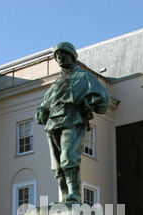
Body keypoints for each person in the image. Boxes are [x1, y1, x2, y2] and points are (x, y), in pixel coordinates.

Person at [35, 42, 110, 204]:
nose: (60, 57)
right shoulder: (56, 83)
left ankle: (74, 194)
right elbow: (44, 105)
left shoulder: (84, 77)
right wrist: (41, 112)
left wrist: (89, 105)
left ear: (71, 56)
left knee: (69, 156)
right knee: (57, 165)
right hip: (53, 124)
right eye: (57, 55)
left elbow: (104, 99)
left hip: (73, 119)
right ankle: (65, 197)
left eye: (63, 54)